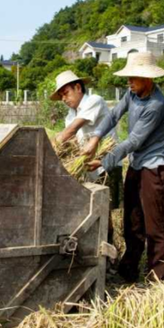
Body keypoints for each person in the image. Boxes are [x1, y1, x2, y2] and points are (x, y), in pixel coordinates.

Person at [83, 52, 164, 283]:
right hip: (137, 165)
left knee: (156, 227)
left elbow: (134, 141)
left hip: (155, 169)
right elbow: (113, 115)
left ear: (149, 79)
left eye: (134, 77)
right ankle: (129, 271)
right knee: (132, 221)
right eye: (129, 77)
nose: (129, 81)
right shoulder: (132, 94)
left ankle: (157, 280)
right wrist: (95, 137)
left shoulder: (157, 104)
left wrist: (104, 162)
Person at [50, 70, 123, 239]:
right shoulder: (70, 114)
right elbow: (73, 140)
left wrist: (52, 147)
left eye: (66, 93)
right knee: (94, 213)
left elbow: (72, 130)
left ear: (78, 87)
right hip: (88, 169)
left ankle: (109, 255)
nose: (64, 99)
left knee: (105, 215)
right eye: (61, 96)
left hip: (105, 166)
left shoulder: (94, 101)